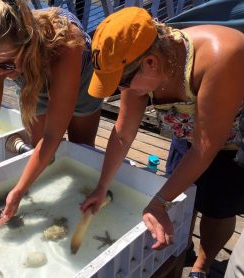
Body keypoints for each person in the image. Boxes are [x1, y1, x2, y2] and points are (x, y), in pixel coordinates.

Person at [80, 7, 244, 278]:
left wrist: (157, 202)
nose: (123, 91)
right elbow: (123, 133)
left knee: (219, 207)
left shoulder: (222, 54)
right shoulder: (136, 68)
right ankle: (184, 248)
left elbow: (206, 146)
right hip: (187, 134)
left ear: (151, 63)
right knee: (180, 200)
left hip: (232, 142)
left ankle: (202, 266)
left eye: (121, 83)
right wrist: (101, 186)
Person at [0, 0, 103, 236]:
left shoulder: (67, 42)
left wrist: (18, 190)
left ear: (27, 44)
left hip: (78, 76)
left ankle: (81, 207)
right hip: (31, 80)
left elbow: (53, 134)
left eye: (5, 64)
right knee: (44, 156)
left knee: (81, 148)